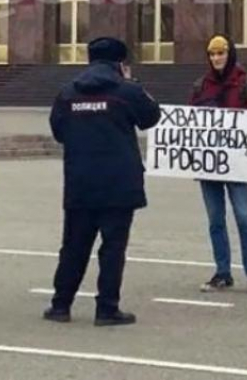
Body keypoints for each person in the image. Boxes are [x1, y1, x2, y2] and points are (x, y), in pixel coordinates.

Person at [44, 37, 161, 326]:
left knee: (73, 245)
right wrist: (132, 84)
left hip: (80, 181)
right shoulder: (127, 91)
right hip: (119, 184)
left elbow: (58, 131)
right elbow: (151, 117)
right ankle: (107, 308)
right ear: (121, 63)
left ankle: (60, 305)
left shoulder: (68, 92)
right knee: (113, 248)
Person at [189, 34, 247, 295]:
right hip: (210, 165)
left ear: (230, 54)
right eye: (212, 54)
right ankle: (222, 273)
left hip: (239, 165)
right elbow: (190, 124)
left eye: (220, 53)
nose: (216, 58)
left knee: (245, 218)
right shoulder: (201, 86)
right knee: (215, 220)